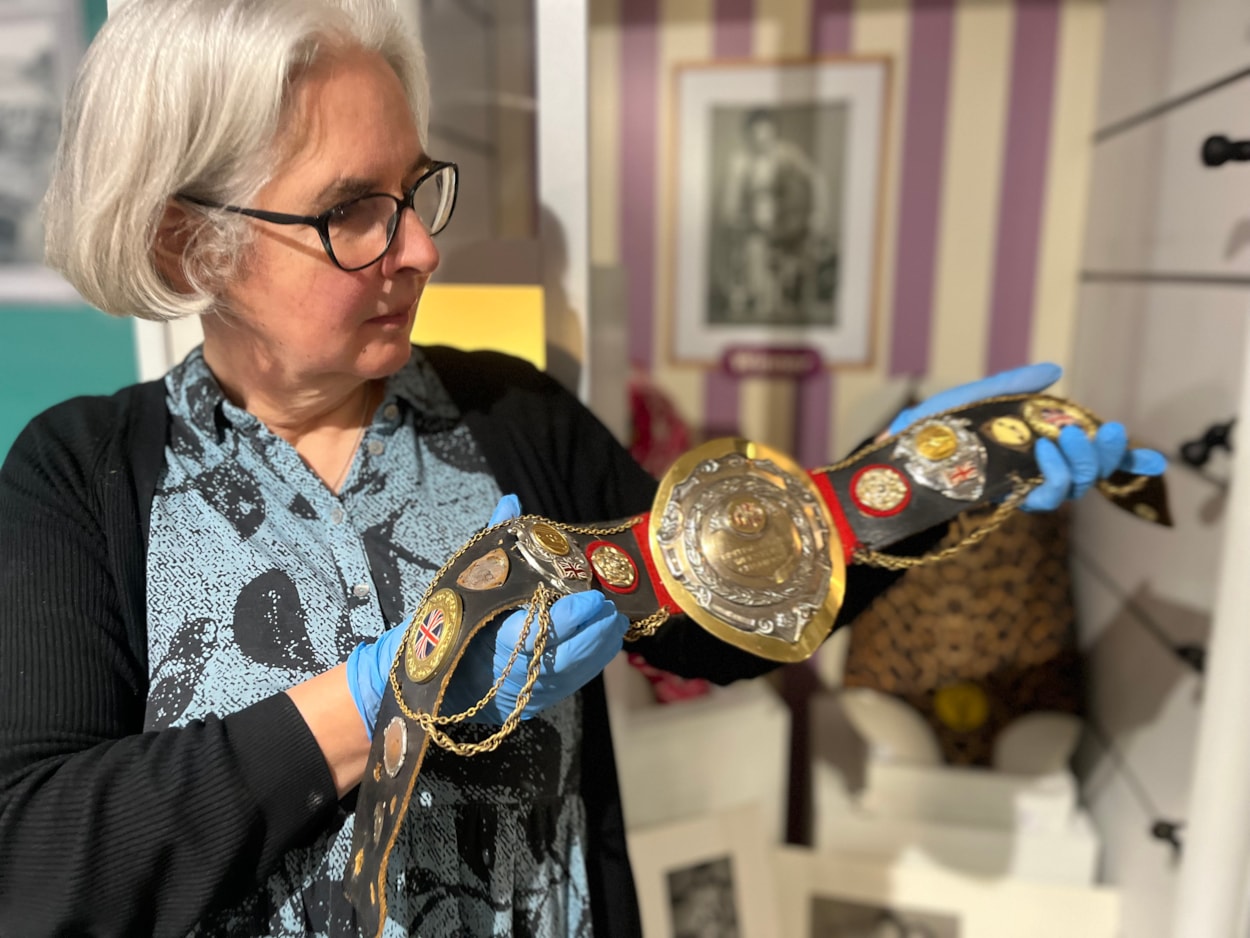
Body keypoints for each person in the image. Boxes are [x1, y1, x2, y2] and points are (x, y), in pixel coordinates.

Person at [0, 1, 1163, 935]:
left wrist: (904, 488)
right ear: (187, 240)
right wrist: (384, 693)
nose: (419, 246)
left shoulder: (512, 415)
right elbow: (41, 857)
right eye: (352, 211)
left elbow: (707, 607)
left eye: (412, 190)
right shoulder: (78, 479)